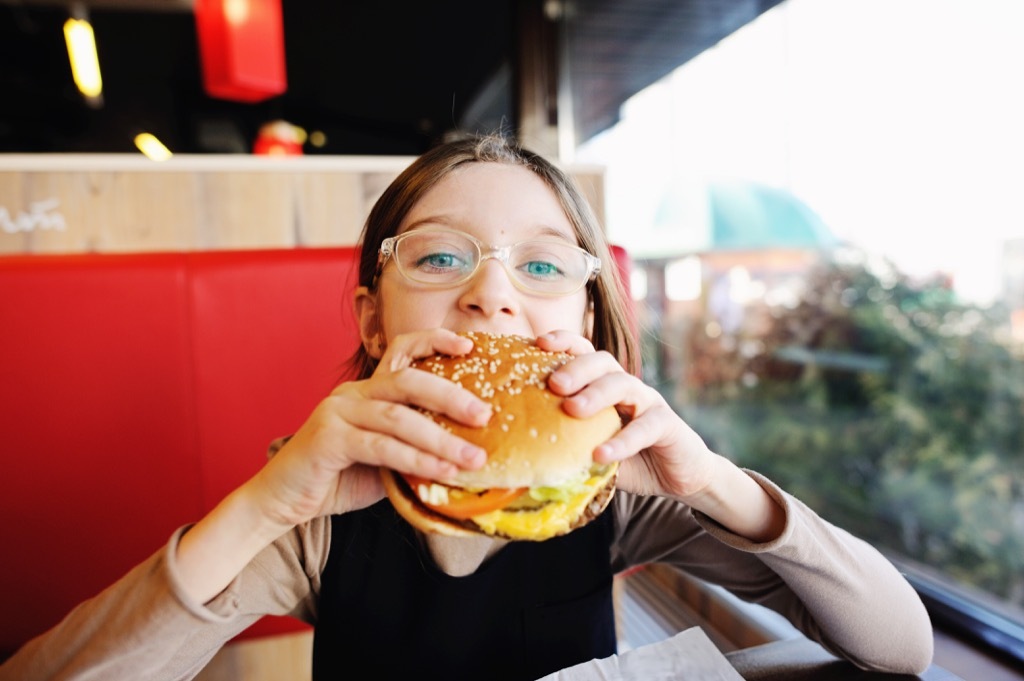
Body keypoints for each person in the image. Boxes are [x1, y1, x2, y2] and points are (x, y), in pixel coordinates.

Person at [0, 134, 933, 681]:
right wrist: (266, 503)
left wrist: (719, 482)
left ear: (589, 323)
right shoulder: (316, 509)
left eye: (541, 265)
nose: (493, 297)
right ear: (374, 319)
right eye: (442, 256)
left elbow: (901, 647)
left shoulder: (614, 492)